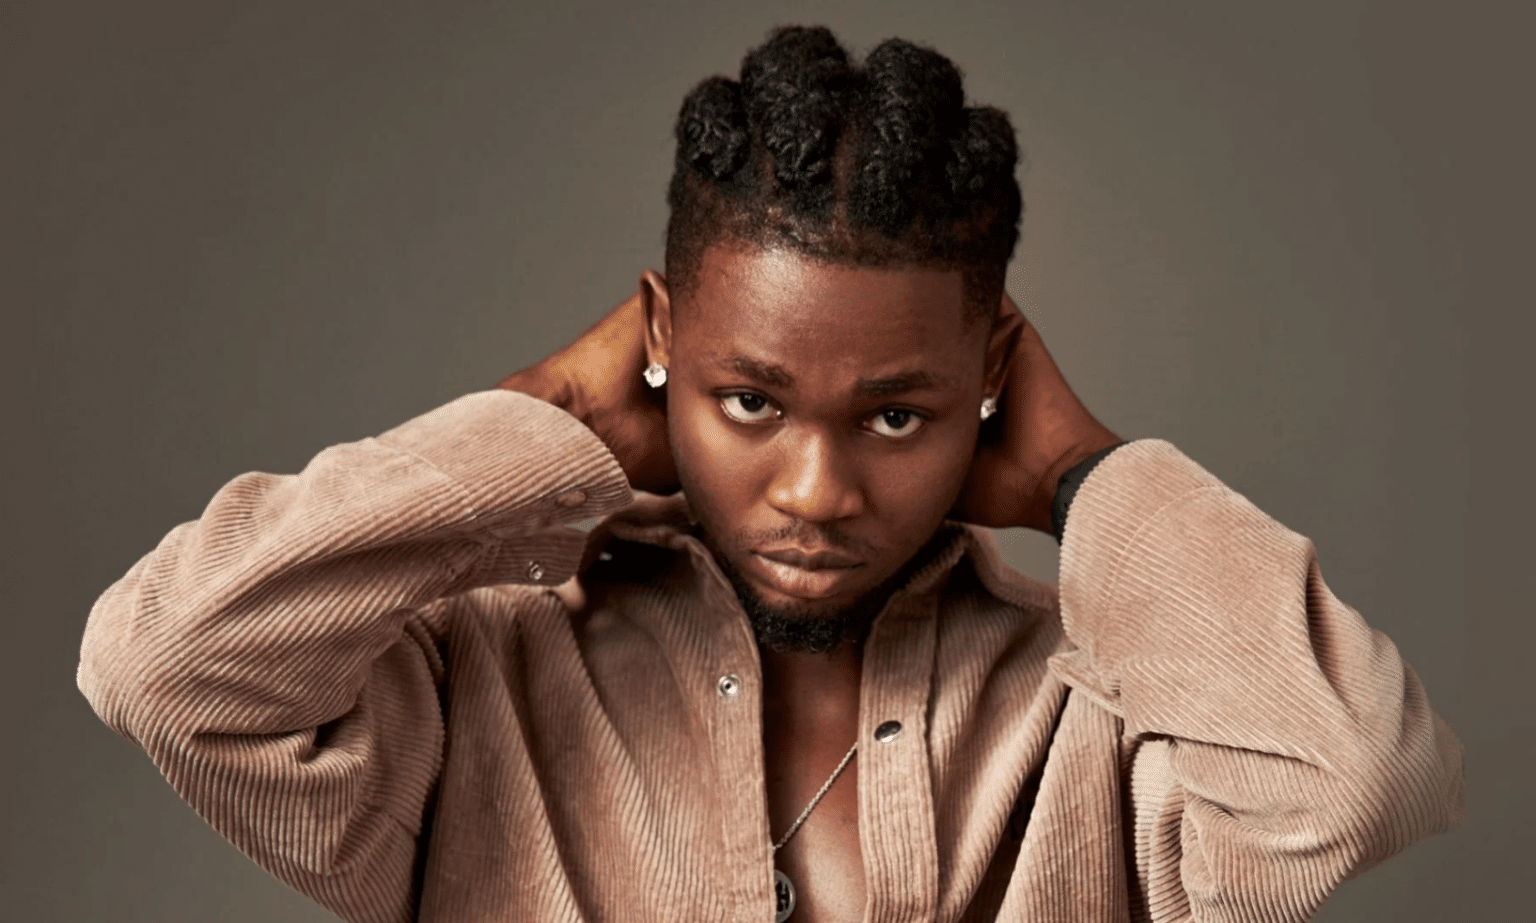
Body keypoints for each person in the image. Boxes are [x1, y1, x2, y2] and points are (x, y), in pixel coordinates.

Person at [78, 25, 1463, 923]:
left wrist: (1083, 476)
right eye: (749, 401)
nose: (815, 490)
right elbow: (168, 667)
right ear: (659, 340)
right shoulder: (479, 684)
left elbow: (1350, 785)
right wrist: (548, 417)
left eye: (896, 417)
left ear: (991, 374)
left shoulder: (1097, 718)